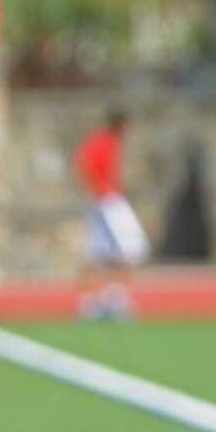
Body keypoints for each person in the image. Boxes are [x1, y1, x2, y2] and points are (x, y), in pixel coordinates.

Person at [72, 108, 150, 320]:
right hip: (107, 201)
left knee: (101, 252)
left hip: (102, 199)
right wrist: (100, 188)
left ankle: (102, 299)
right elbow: (84, 164)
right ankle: (114, 299)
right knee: (130, 247)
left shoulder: (105, 142)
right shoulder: (104, 142)